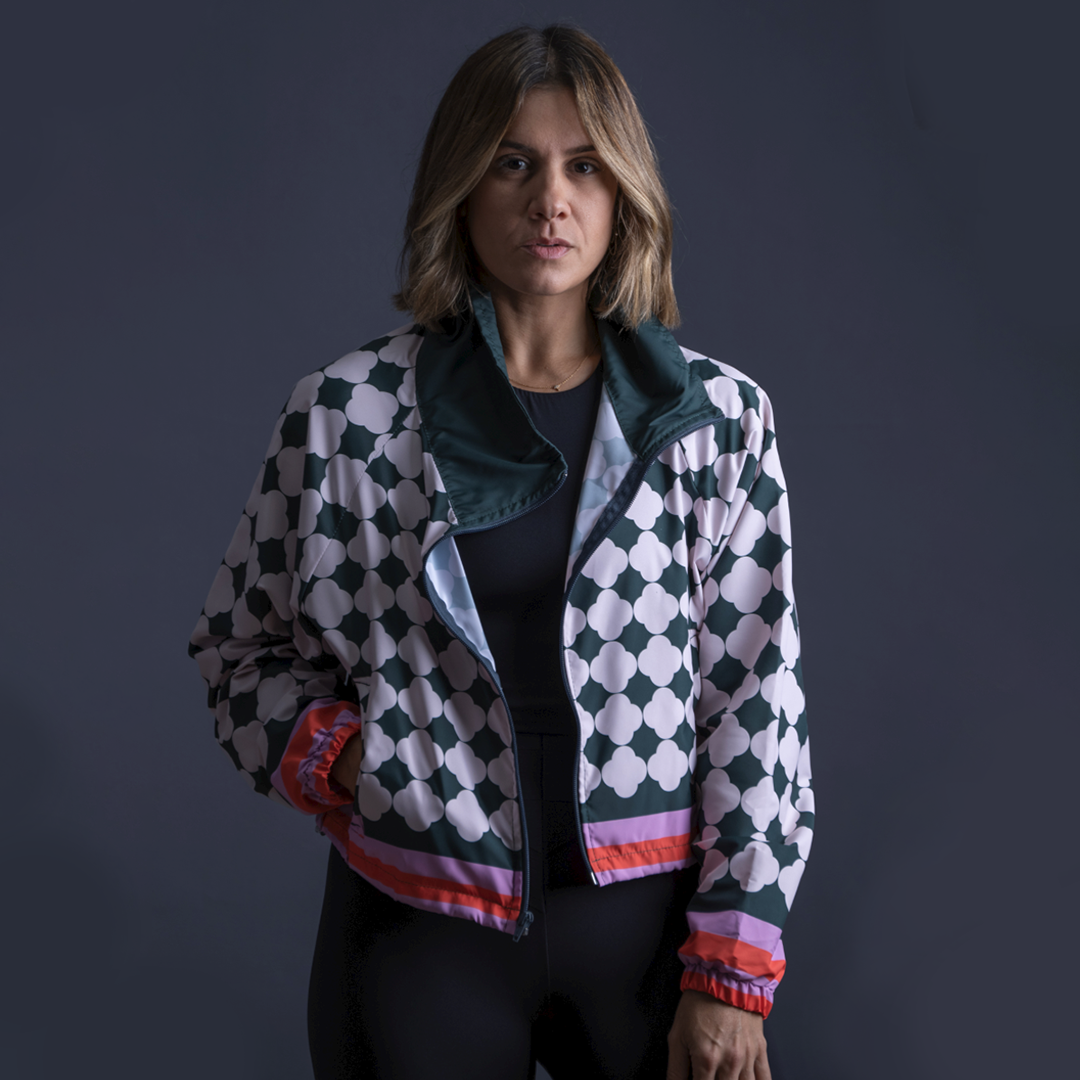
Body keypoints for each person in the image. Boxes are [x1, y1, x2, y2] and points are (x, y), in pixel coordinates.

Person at [190, 24, 811, 1080]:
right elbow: (237, 653)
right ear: (461, 186)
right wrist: (354, 762)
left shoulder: (713, 419)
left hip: (650, 943)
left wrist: (731, 969)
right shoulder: (346, 414)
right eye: (513, 163)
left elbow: (757, 702)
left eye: (585, 167)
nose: (550, 200)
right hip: (414, 938)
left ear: (624, 194)